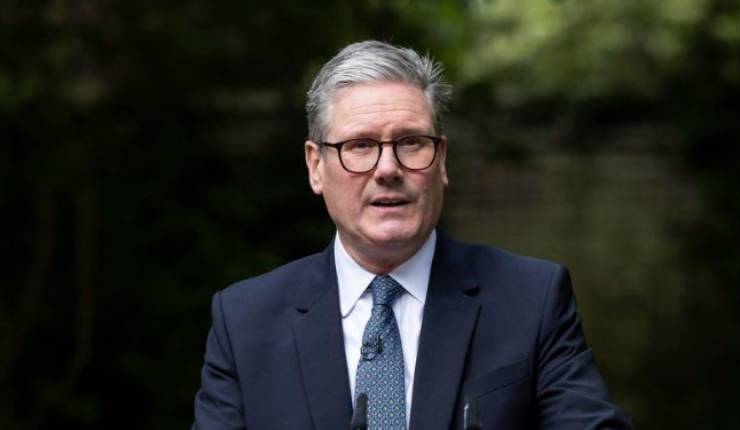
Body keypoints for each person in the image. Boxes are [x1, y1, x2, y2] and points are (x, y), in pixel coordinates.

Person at [192, 40, 633, 430]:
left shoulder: (532, 300)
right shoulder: (245, 321)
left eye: (410, 143)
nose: (388, 169)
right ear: (315, 166)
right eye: (360, 146)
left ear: (441, 160)